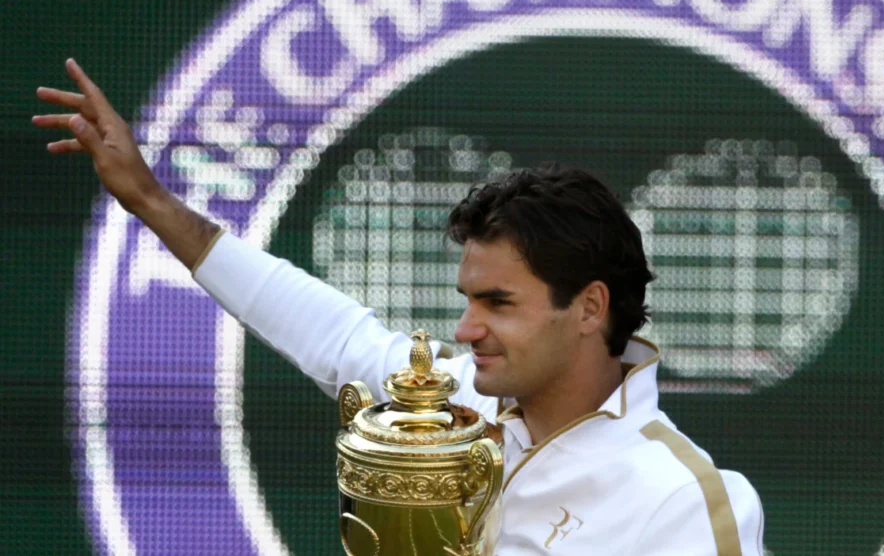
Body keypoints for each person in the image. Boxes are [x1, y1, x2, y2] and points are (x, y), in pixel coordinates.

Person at [35, 59, 764, 555]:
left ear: (589, 307)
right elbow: (325, 330)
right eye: (468, 300)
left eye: (499, 303)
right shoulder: (449, 402)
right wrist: (152, 201)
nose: (466, 329)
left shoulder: (683, 499)